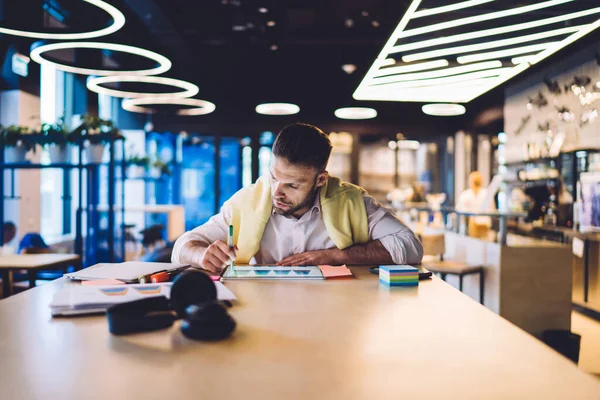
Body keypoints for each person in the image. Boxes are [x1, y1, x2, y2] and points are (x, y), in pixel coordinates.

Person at [172, 123, 423, 272]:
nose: (276, 192)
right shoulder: (245, 203)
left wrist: (336, 256)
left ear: (320, 180)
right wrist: (200, 255)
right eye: (273, 177)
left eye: (292, 185)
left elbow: (411, 247)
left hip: (337, 312)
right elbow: (183, 245)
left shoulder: (352, 202)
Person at [456, 171, 493, 239]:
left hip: (483, 226)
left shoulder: (485, 193)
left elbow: (491, 210)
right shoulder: (466, 194)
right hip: (470, 226)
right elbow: (459, 208)